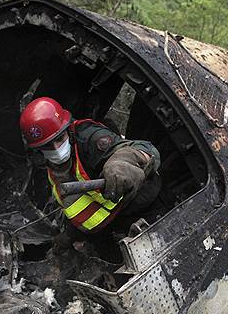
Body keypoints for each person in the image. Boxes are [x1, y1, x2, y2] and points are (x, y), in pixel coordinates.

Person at [19, 96, 160, 234]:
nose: (56, 149)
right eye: (48, 146)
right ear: (38, 150)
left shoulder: (90, 138)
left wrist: (123, 161)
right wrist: (69, 237)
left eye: (60, 139)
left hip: (147, 211)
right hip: (109, 227)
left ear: (67, 130)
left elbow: (148, 149)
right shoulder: (51, 168)